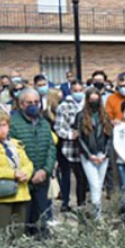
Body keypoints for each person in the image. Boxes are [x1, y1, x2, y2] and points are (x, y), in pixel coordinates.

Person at [0, 110, 34, 237]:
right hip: (0, 195)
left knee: (19, 232)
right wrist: (13, 174)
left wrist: (25, 173)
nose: (2, 129)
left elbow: (28, 163)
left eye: (4, 125)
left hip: (20, 192)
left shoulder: (15, 143)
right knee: (1, 233)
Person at [8, 88, 56, 237]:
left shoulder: (44, 123)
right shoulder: (13, 124)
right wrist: (31, 172)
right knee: (25, 217)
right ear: (21, 104)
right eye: (29, 102)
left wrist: (45, 170)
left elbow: (50, 148)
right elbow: (13, 151)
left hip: (42, 177)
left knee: (42, 215)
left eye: (36, 102)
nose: (34, 105)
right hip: (24, 179)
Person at [75, 89, 113, 219]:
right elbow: (79, 137)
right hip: (88, 155)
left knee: (99, 185)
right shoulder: (80, 116)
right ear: (87, 100)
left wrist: (105, 154)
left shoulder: (105, 115)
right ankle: (97, 216)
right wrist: (89, 155)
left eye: (96, 99)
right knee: (94, 184)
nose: (94, 102)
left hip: (102, 154)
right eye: (92, 100)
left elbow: (109, 136)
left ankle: (97, 213)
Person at [54, 81, 88, 213]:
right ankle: (65, 202)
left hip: (85, 147)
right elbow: (58, 127)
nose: (78, 92)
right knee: (67, 175)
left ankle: (81, 205)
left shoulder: (87, 105)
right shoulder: (64, 106)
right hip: (69, 147)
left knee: (82, 178)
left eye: (80, 90)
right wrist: (70, 134)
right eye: (75, 90)